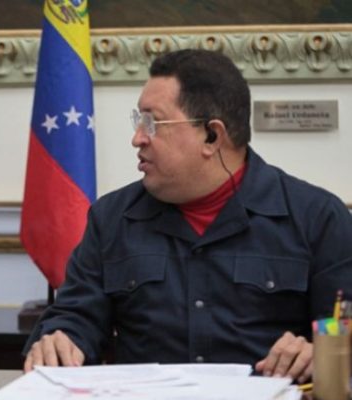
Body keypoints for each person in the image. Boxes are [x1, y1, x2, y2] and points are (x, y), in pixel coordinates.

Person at [24, 49, 352, 383]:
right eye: (139, 121)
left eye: (152, 123)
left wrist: (322, 351)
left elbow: (342, 326)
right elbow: (76, 316)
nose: (137, 138)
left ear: (211, 136)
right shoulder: (111, 218)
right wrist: (60, 339)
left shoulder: (317, 218)